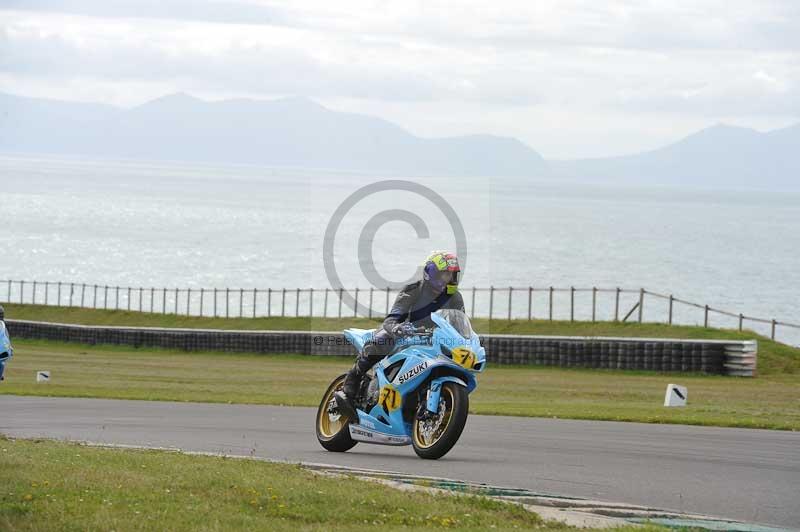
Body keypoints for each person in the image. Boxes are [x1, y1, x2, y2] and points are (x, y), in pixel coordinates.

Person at [340, 251, 465, 403]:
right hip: (403, 335)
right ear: (431, 273)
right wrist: (397, 328)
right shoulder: (413, 290)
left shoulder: (455, 297)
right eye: (445, 274)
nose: (449, 279)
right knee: (382, 340)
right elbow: (392, 318)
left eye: (452, 275)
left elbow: (459, 323)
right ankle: (353, 377)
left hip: (432, 339)